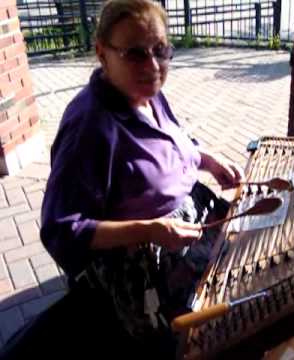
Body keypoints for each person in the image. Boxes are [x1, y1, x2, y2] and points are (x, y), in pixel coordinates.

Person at [0, 0, 243, 358]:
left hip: (190, 234)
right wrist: (148, 229)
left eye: (160, 50)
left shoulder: (148, 96)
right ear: (102, 53)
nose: (152, 66)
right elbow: (61, 229)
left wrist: (207, 160)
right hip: (148, 278)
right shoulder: (90, 126)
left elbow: (173, 144)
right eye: (135, 54)